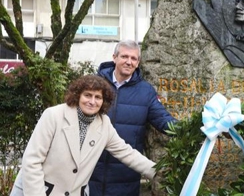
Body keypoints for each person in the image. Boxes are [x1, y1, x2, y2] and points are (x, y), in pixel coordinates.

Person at [10, 75, 156, 196]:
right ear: (77, 95)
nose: (92, 102)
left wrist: (159, 172)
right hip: (35, 191)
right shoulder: (53, 115)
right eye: (88, 95)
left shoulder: (104, 124)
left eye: (98, 97)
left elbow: (128, 153)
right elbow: (32, 161)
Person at [89, 40, 176, 196]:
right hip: (91, 171)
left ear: (138, 63)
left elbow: (164, 121)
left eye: (134, 58)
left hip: (126, 175)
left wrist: (198, 130)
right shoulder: (94, 85)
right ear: (114, 57)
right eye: (124, 57)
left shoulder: (146, 91)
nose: (129, 62)